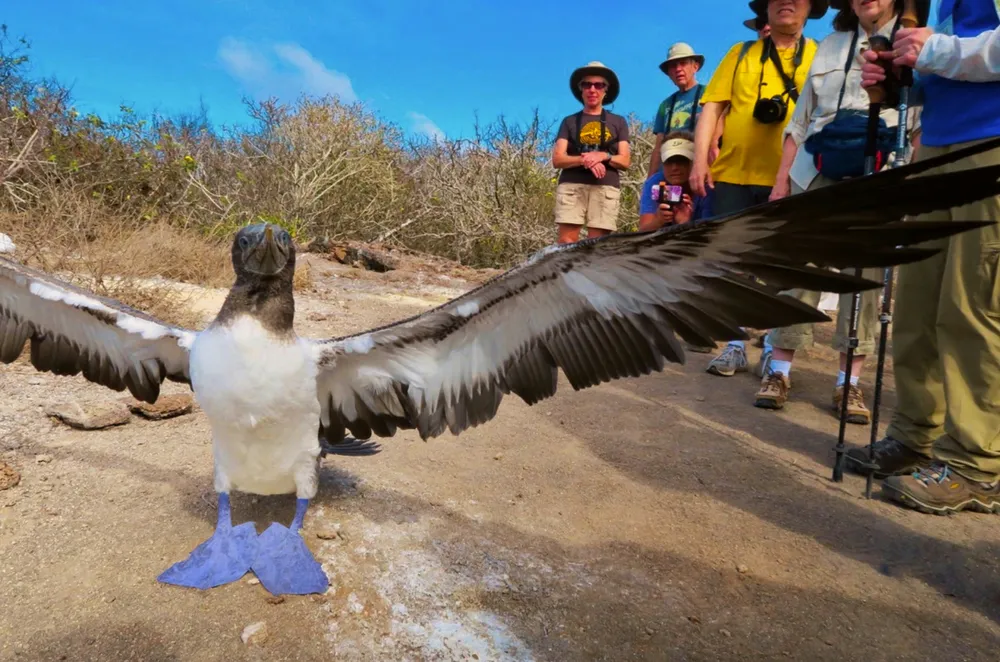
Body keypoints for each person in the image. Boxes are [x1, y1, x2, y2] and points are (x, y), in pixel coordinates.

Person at [846, 0, 1000, 516]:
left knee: (971, 306)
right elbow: (943, 69)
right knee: (915, 302)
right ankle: (916, 437)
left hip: (992, 146)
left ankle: (976, 462)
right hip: (936, 147)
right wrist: (894, 77)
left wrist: (935, 50)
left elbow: (961, 53)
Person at [751, 0, 923, 422]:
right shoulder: (829, 45)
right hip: (815, 171)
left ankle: (849, 382)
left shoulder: (915, 43)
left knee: (864, 278)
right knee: (799, 270)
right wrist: (780, 184)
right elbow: (800, 121)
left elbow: (918, 124)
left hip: (879, 173)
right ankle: (778, 371)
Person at [689, 0, 828, 377]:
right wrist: (700, 160)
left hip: (794, 176)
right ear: (764, 10)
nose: (786, 3)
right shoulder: (741, 52)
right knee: (733, 264)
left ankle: (773, 346)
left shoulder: (821, 54)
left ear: (810, 8)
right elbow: (712, 109)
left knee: (781, 266)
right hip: (733, 172)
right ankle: (734, 344)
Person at [551, 61, 632, 245]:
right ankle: (568, 275)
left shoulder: (618, 122)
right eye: (587, 84)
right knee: (566, 242)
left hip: (605, 186)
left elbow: (625, 160)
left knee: (597, 245)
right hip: (572, 186)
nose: (592, 89)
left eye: (599, 85)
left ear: (606, 90)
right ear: (581, 90)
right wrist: (586, 160)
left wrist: (603, 156)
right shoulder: (569, 121)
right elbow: (558, 159)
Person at [647, 43, 708, 177]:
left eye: (683, 63)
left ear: (695, 66)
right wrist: (650, 181)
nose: (678, 69)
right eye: (673, 66)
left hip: (699, 168)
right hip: (671, 171)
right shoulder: (665, 105)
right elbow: (658, 147)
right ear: (669, 73)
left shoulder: (709, 94)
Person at [638, 131, 712, 231]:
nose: (674, 167)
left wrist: (685, 223)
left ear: (693, 162)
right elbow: (643, 230)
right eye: (669, 161)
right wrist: (658, 221)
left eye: (681, 160)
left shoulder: (706, 186)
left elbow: (711, 235)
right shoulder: (654, 183)